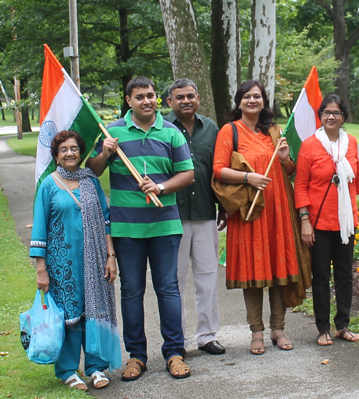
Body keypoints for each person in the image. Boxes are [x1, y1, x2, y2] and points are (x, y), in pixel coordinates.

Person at [87, 76, 194, 379]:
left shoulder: (171, 132)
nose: (147, 101)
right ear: (128, 100)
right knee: (131, 291)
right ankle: (136, 355)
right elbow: (93, 172)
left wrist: (160, 187)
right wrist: (106, 152)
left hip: (164, 225)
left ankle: (174, 352)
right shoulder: (113, 132)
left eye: (151, 96)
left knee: (168, 289)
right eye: (140, 97)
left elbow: (187, 175)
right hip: (126, 227)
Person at [213, 80, 309, 355]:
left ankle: (278, 328)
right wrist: (248, 176)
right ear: (239, 101)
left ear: (264, 101)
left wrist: (284, 157)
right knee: (254, 271)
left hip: (279, 209)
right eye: (247, 96)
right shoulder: (229, 131)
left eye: (257, 96)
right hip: (249, 211)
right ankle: (256, 331)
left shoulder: (275, 132)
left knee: (279, 269)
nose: (252, 100)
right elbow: (218, 170)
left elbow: (289, 171)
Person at [30, 130, 121, 391]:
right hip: (62, 264)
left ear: (80, 153)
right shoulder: (49, 185)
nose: (70, 153)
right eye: (63, 150)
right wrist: (41, 269)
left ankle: (95, 367)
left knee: (95, 311)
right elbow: (39, 228)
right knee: (69, 316)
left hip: (94, 262)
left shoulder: (91, 181)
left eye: (74, 148)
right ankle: (68, 370)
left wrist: (110, 256)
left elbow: (105, 221)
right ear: (56, 156)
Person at [294, 94, 359, 346]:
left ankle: (342, 325)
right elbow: (300, 185)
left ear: (343, 117)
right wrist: (304, 219)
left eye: (336, 113)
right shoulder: (309, 145)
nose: (331, 117)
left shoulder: (350, 142)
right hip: (319, 223)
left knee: (344, 275)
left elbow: (356, 176)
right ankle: (322, 328)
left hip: (346, 222)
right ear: (320, 116)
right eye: (326, 112)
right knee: (321, 276)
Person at [164, 78, 226, 355]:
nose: (186, 101)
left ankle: (207, 335)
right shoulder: (162, 129)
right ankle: (178, 341)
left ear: (198, 98)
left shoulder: (211, 128)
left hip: (204, 213)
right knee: (174, 280)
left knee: (208, 277)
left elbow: (219, 169)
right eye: (180, 97)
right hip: (170, 216)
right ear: (170, 102)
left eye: (191, 96)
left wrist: (223, 205)